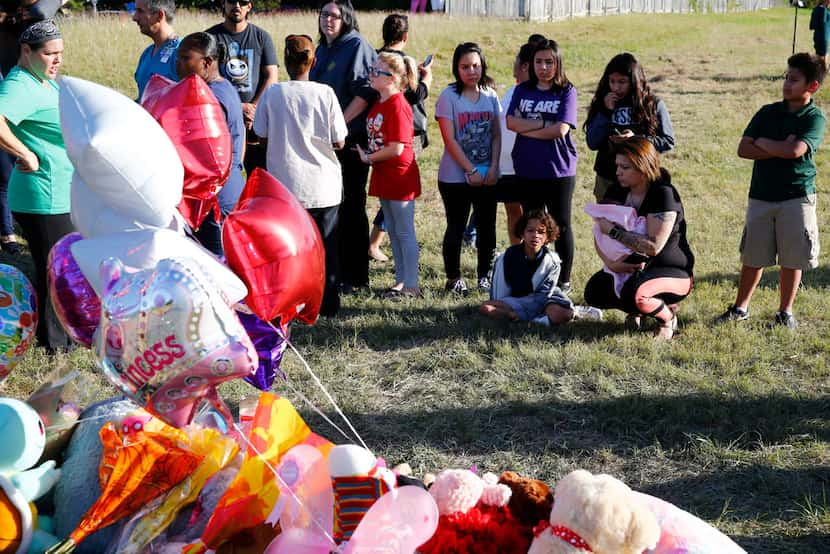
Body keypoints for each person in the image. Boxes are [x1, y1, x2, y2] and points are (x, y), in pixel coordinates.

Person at [717, 53, 826, 329]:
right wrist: (774, 144)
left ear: (811, 86)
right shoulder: (767, 112)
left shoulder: (814, 117)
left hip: (797, 197)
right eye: (785, 78)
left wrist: (763, 144)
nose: (786, 84)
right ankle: (740, 307)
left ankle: (785, 312)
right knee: (753, 257)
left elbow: (796, 150)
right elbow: (743, 149)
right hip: (761, 196)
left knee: (792, 258)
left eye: (794, 79)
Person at [253, 34, 347, 316]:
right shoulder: (325, 93)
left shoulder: (273, 94)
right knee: (327, 246)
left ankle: (291, 303)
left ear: (285, 60)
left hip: (286, 185)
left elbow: (260, 133)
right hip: (323, 185)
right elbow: (340, 139)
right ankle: (329, 303)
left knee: (290, 249)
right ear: (313, 61)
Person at [0, 19, 74, 350]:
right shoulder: (19, 84)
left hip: (58, 190)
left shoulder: (42, 79)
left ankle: (61, 338)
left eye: (60, 53)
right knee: (52, 273)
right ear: (26, 51)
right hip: (41, 195)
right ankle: (52, 346)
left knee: (59, 269)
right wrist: (24, 152)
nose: (56, 60)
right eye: (49, 54)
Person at [584, 138, 694, 341]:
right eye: (617, 166)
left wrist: (615, 232)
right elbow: (599, 231)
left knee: (637, 294)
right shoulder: (617, 189)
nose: (618, 172)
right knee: (594, 292)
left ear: (643, 167)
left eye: (625, 167)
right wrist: (611, 264)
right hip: (632, 269)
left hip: (672, 270)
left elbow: (653, 247)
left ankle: (667, 318)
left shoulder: (663, 193)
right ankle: (638, 311)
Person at [310, 0, 376, 294]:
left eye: (335, 16)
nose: (329, 20)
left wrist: (338, 125)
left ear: (346, 18)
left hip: (351, 140)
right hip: (325, 141)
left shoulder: (356, 45)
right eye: (324, 14)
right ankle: (334, 271)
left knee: (352, 205)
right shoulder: (322, 48)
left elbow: (365, 93)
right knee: (331, 205)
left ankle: (357, 275)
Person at [506, 38, 577, 294]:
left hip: (558, 170)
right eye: (539, 61)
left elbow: (560, 129)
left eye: (549, 61)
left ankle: (564, 281)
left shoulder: (567, 91)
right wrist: (543, 126)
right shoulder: (523, 90)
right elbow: (511, 123)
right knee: (533, 226)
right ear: (531, 64)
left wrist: (531, 128)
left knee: (561, 224)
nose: (544, 67)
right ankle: (536, 275)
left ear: (558, 63)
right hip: (527, 169)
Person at [435, 42, 500, 295]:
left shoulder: (490, 95)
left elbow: (496, 135)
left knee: (487, 226)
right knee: (456, 226)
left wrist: (493, 167)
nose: (471, 71)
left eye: (475, 65)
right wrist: (470, 170)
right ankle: (453, 278)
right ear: (456, 68)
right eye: (465, 66)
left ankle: (485, 276)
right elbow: (449, 140)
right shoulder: (448, 97)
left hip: (488, 174)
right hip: (454, 176)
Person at [368, 13, 432, 263]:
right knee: (397, 217)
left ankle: (406, 278)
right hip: (394, 150)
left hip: (386, 150)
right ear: (405, 37)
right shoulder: (395, 65)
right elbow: (415, 96)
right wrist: (426, 80)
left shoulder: (379, 62)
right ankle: (379, 248)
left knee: (398, 217)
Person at [357, 52, 421, 299]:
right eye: (372, 70)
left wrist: (368, 158)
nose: (371, 75)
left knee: (404, 231)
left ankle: (413, 285)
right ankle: (401, 281)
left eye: (377, 72)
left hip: (399, 174)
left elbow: (398, 147)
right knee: (393, 230)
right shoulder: (380, 101)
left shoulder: (398, 104)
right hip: (384, 172)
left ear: (393, 78)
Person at [176, 32, 246, 258]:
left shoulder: (209, 98)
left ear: (206, 63)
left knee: (218, 267)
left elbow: (201, 153)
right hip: (227, 190)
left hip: (215, 199)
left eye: (186, 58)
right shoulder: (225, 88)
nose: (179, 65)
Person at [584, 52, 675, 203]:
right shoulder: (603, 102)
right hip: (608, 178)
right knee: (609, 224)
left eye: (622, 82)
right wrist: (606, 112)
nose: (616, 87)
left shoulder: (652, 104)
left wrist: (636, 140)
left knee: (641, 225)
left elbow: (668, 141)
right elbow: (592, 142)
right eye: (612, 81)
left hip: (642, 179)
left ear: (634, 81)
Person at [206, 0, 278, 175]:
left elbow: (272, 76)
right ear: (224, 4)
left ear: (249, 6)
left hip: (255, 121)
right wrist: (237, 108)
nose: (237, 5)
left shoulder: (262, 37)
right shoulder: (209, 38)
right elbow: (203, 79)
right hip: (220, 118)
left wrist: (253, 108)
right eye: (231, 1)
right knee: (224, 176)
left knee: (259, 177)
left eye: (243, 2)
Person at [480, 210, 573, 326]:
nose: (535, 235)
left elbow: (543, 296)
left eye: (541, 232)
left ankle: (524, 319)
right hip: (516, 301)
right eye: (530, 231)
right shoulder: (507, 257)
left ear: (547, 237)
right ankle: (534, 320)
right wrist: (507, 307)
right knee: (486, 308)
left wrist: (524, 312)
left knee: (563, 314)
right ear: (522, 233)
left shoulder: (552, 261)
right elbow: (500, 292)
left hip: (543, 300)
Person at [496, 35, 546, 245]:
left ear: (525, 66)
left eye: (516, 59)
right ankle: (517, 256)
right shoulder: (513, 91)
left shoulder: (540, 94)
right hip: (507, 166)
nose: (513, 63)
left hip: (529, 166)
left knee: (535, 217)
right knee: (513, 214)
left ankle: (537, 257)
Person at [133, 0, 180, 101]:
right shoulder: (147, 53)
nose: (134, 18)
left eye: (140, 11)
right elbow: (143, 99)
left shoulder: (182, 53)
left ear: (159, 15)